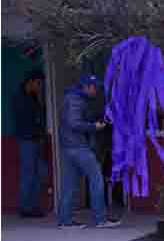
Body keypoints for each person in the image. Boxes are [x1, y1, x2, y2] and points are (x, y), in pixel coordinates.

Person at [57, 75, 121, 229]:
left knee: (70, 185)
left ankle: (65, 221)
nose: (95, 90)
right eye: (93, 87)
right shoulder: (76, 100)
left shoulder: (72, 98)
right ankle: (101, 219)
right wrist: (94, 127)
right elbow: (74, 123)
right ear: (85, 86)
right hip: (78, 147)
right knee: (96, 179)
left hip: (68, 147)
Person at [13, 70, 49, 218]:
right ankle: (26, 208)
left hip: (35, 140)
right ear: (31, 82)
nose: (40, 87)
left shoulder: (33, 97)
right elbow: (27, 121)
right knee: (28, 174)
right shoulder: (21, 98)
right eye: (38, 83)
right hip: (27, 140)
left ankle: (32, 206)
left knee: (40, 173)